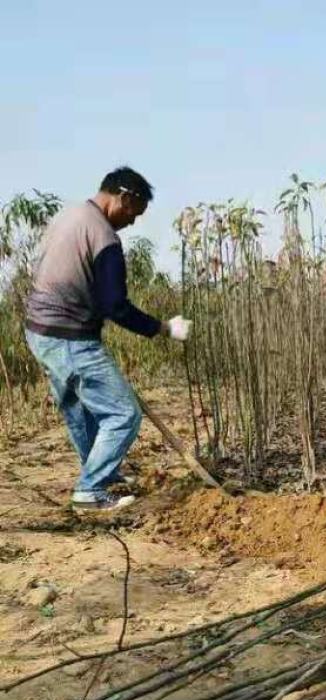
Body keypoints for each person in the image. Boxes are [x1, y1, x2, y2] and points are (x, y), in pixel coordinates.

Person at [25, 166, 192, 512]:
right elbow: (116, 305)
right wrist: (164, 328)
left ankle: (102, 472)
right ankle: (91, 490)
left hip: (39, 332)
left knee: (80, 410)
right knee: (123, 414)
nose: (131, 222)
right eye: (134, 212)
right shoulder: (105, 237)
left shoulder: (69, 215)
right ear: (124, 197)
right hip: (70, 338)